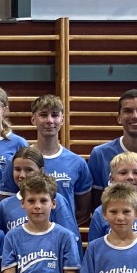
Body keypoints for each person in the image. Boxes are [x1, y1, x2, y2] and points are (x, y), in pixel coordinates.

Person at [27, 94, 92, 235]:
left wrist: (63, 224)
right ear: (33, 119)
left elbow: (84, 211)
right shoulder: (21, 162)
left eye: (55, 115)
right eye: (43, 115)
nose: (49, 120)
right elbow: (11, 205)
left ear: (62, 119)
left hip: (66, 238)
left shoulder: (77, 163)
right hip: (30, 239)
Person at [87, 152, 137, 246]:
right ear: (112, 179)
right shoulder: (101, 211)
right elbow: (95, 248)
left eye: (136, 173)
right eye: (123, 173)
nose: (130, 177)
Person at [0, 147, 45, 233]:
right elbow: (2, 237)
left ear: (41, 171)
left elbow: (65, 236)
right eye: (17, 169)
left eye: (29, 170)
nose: (22, 175)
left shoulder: (53, 200)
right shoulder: (5, 205)